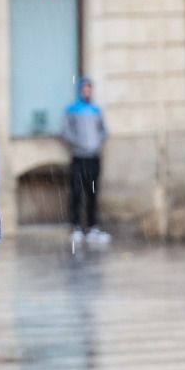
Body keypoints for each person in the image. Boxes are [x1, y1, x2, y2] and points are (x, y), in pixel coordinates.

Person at [62, 76, 110, 250]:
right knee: (76, 191)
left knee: (92, 192)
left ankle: (92, 227)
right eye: (85, 89)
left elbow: (104, 130)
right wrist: (79, 143)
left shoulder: (96, 110)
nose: (87, 92)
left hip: (93, 156)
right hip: (78, 156)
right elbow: (65, 130)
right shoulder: (72, 109)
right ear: (80, 90)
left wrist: (96, 142)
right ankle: (75, 226)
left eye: (89, 89)